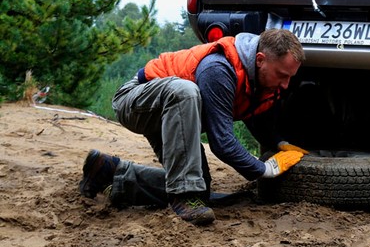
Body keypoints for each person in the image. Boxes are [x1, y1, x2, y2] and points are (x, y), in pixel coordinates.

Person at [78, 29, 307, 225]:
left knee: (200, 188)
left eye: (290, 77)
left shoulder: (257, 78)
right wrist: (266, 170)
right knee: (185, 91)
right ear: (260, 59)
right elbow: (222, 143)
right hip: (138, 101)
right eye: (282, 75)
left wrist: (281, 144)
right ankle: (183, 198)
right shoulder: (219, 68)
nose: (285, 84)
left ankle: (110, 171)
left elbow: (255, 116)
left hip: (175, 115)